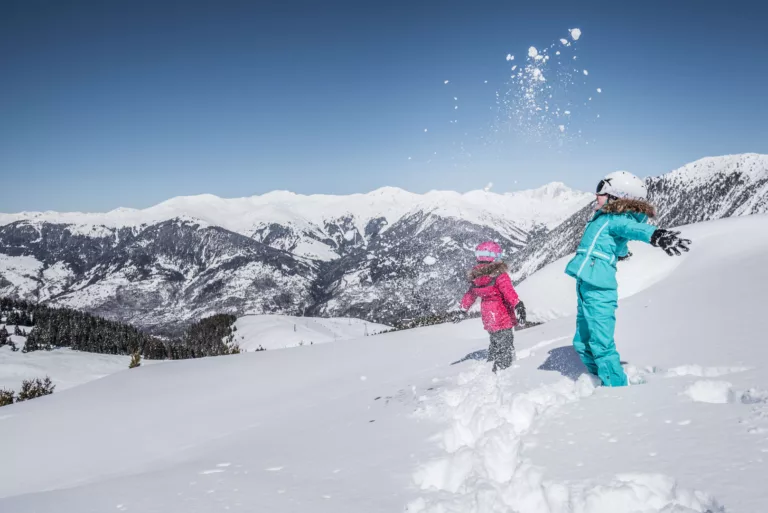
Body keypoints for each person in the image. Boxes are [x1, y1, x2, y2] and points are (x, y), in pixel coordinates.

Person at [565, 171, 692, 386]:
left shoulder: (615, 219)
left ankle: (616, 389)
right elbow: (618, 241)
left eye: (601, 190)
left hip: (599, 287)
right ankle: (597, 379)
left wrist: (656, 235)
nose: (596, 195)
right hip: (586, 282)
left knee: (600, 343)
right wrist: (621, 252)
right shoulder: (604, 218)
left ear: (617, 197)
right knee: (582, 341)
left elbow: (633, 228)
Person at [458, 241, 526, 372]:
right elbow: (508, 292)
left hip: (488, 316)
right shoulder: (499, 275)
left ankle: (492, 361)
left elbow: (470, 295)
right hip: (501, 314)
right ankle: (503, 368)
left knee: (495, 339)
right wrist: (518, 304)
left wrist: (462, 309)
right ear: (495, 257)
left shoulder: (476, 278)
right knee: (506, 343)